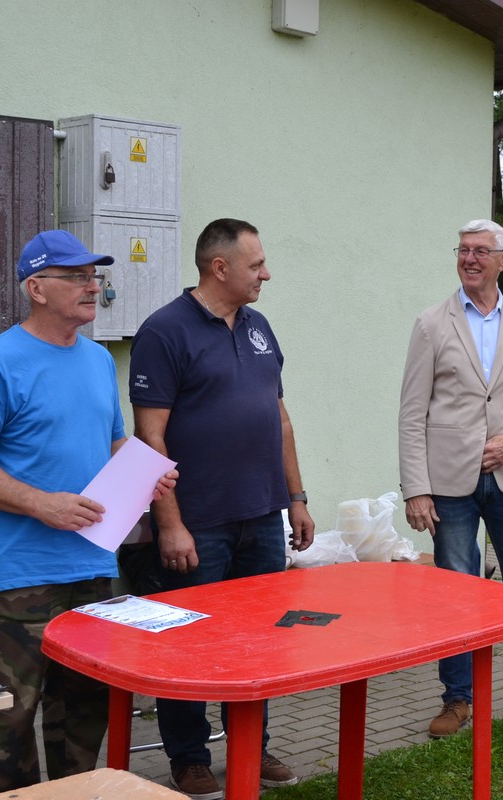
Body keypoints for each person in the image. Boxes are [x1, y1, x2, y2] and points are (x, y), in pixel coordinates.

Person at [0, 229, 177, 795]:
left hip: (93, 566)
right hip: (21, 575)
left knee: (83, 710)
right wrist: (39, 503)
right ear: (36, 288)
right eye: (76, 277)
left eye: (94, 276)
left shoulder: (97, 360)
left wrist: (145, 472)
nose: (92, 286)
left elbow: (111, 441)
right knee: (12, 716)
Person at [129, 218, 315, 799]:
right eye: (256, 265)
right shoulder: (164, 331)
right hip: (198, 523)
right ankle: (188, 758)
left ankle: (252, 746)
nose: (266, 274)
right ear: (220, 268)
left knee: (258, 642)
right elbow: (149, 437)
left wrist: (296, 498)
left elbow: (279, 418)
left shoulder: (258, 326)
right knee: (188, 644)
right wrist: (170, 523)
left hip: (261, 516)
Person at [398, 219, 503, 740]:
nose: (470, 258)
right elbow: (412, 413)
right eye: (463, 250)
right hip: (449, 484)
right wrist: (416, 488)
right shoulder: (431, 323)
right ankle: (457, 699)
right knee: (455, 591)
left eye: (480, 251)